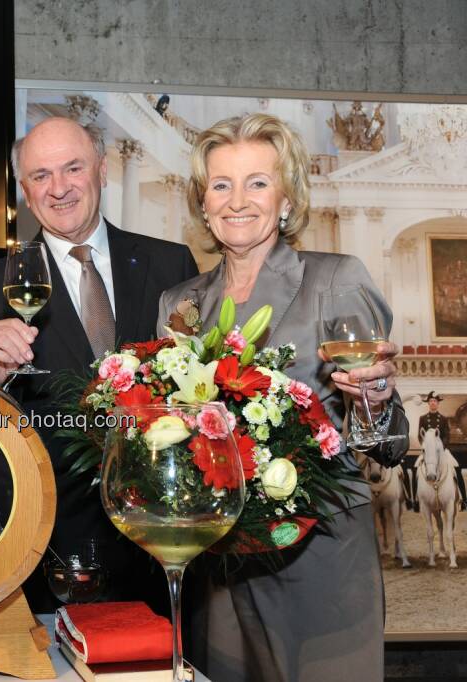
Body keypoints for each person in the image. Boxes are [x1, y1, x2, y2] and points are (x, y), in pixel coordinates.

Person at [156, 112, 408, 682]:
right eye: (221, 184)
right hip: (218, 565)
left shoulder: (336, 280)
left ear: (287, 199)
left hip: (318, 558)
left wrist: (375, 398)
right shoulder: (180, 303)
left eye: (258, 183)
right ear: (202, 202)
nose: (237, 200)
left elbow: (389, 443)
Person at [0, 116, 199, 613]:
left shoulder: (171, 265)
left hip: (161, 540)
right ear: (24, 191)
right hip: (51, 545)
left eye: (73, 168)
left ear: (103, 170)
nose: (59, 188)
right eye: (41, 176)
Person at [412, 392, 466, 510]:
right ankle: (415, 500)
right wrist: (426, 446)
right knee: (416, 468)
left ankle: (463, 499)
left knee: (456, 467)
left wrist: (442, 446)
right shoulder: (423, 418)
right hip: (428, 451)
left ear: (438, 404)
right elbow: (419, 436)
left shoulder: (442, 419)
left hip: (442, 450)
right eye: (431, 401)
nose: (433, 403)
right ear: (428, 403)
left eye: (435, 401)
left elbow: (447, 435)